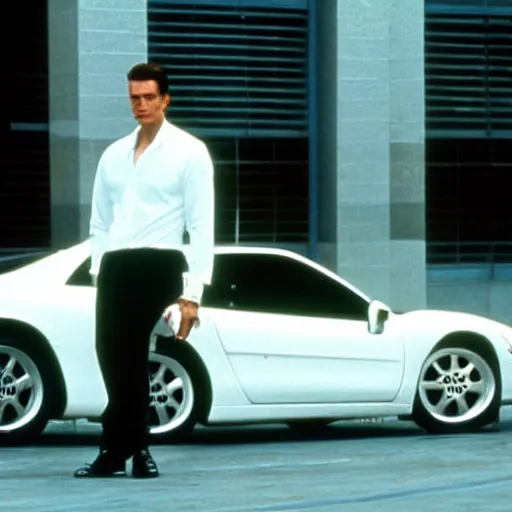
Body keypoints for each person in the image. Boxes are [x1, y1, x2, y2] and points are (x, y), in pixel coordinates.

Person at [74, 63, 214, 479]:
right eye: (134, 97)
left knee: (133, 356)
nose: (141, 105)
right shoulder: (114, 154)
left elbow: (202, 226)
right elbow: (99, 222)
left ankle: (124, 451)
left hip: (161, 262)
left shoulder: (190, 152)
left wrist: (192, 294)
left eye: (149, 97)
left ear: (165, 99)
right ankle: (132, 451)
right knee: (114, 358)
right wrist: (102, 271)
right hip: (117, 267)